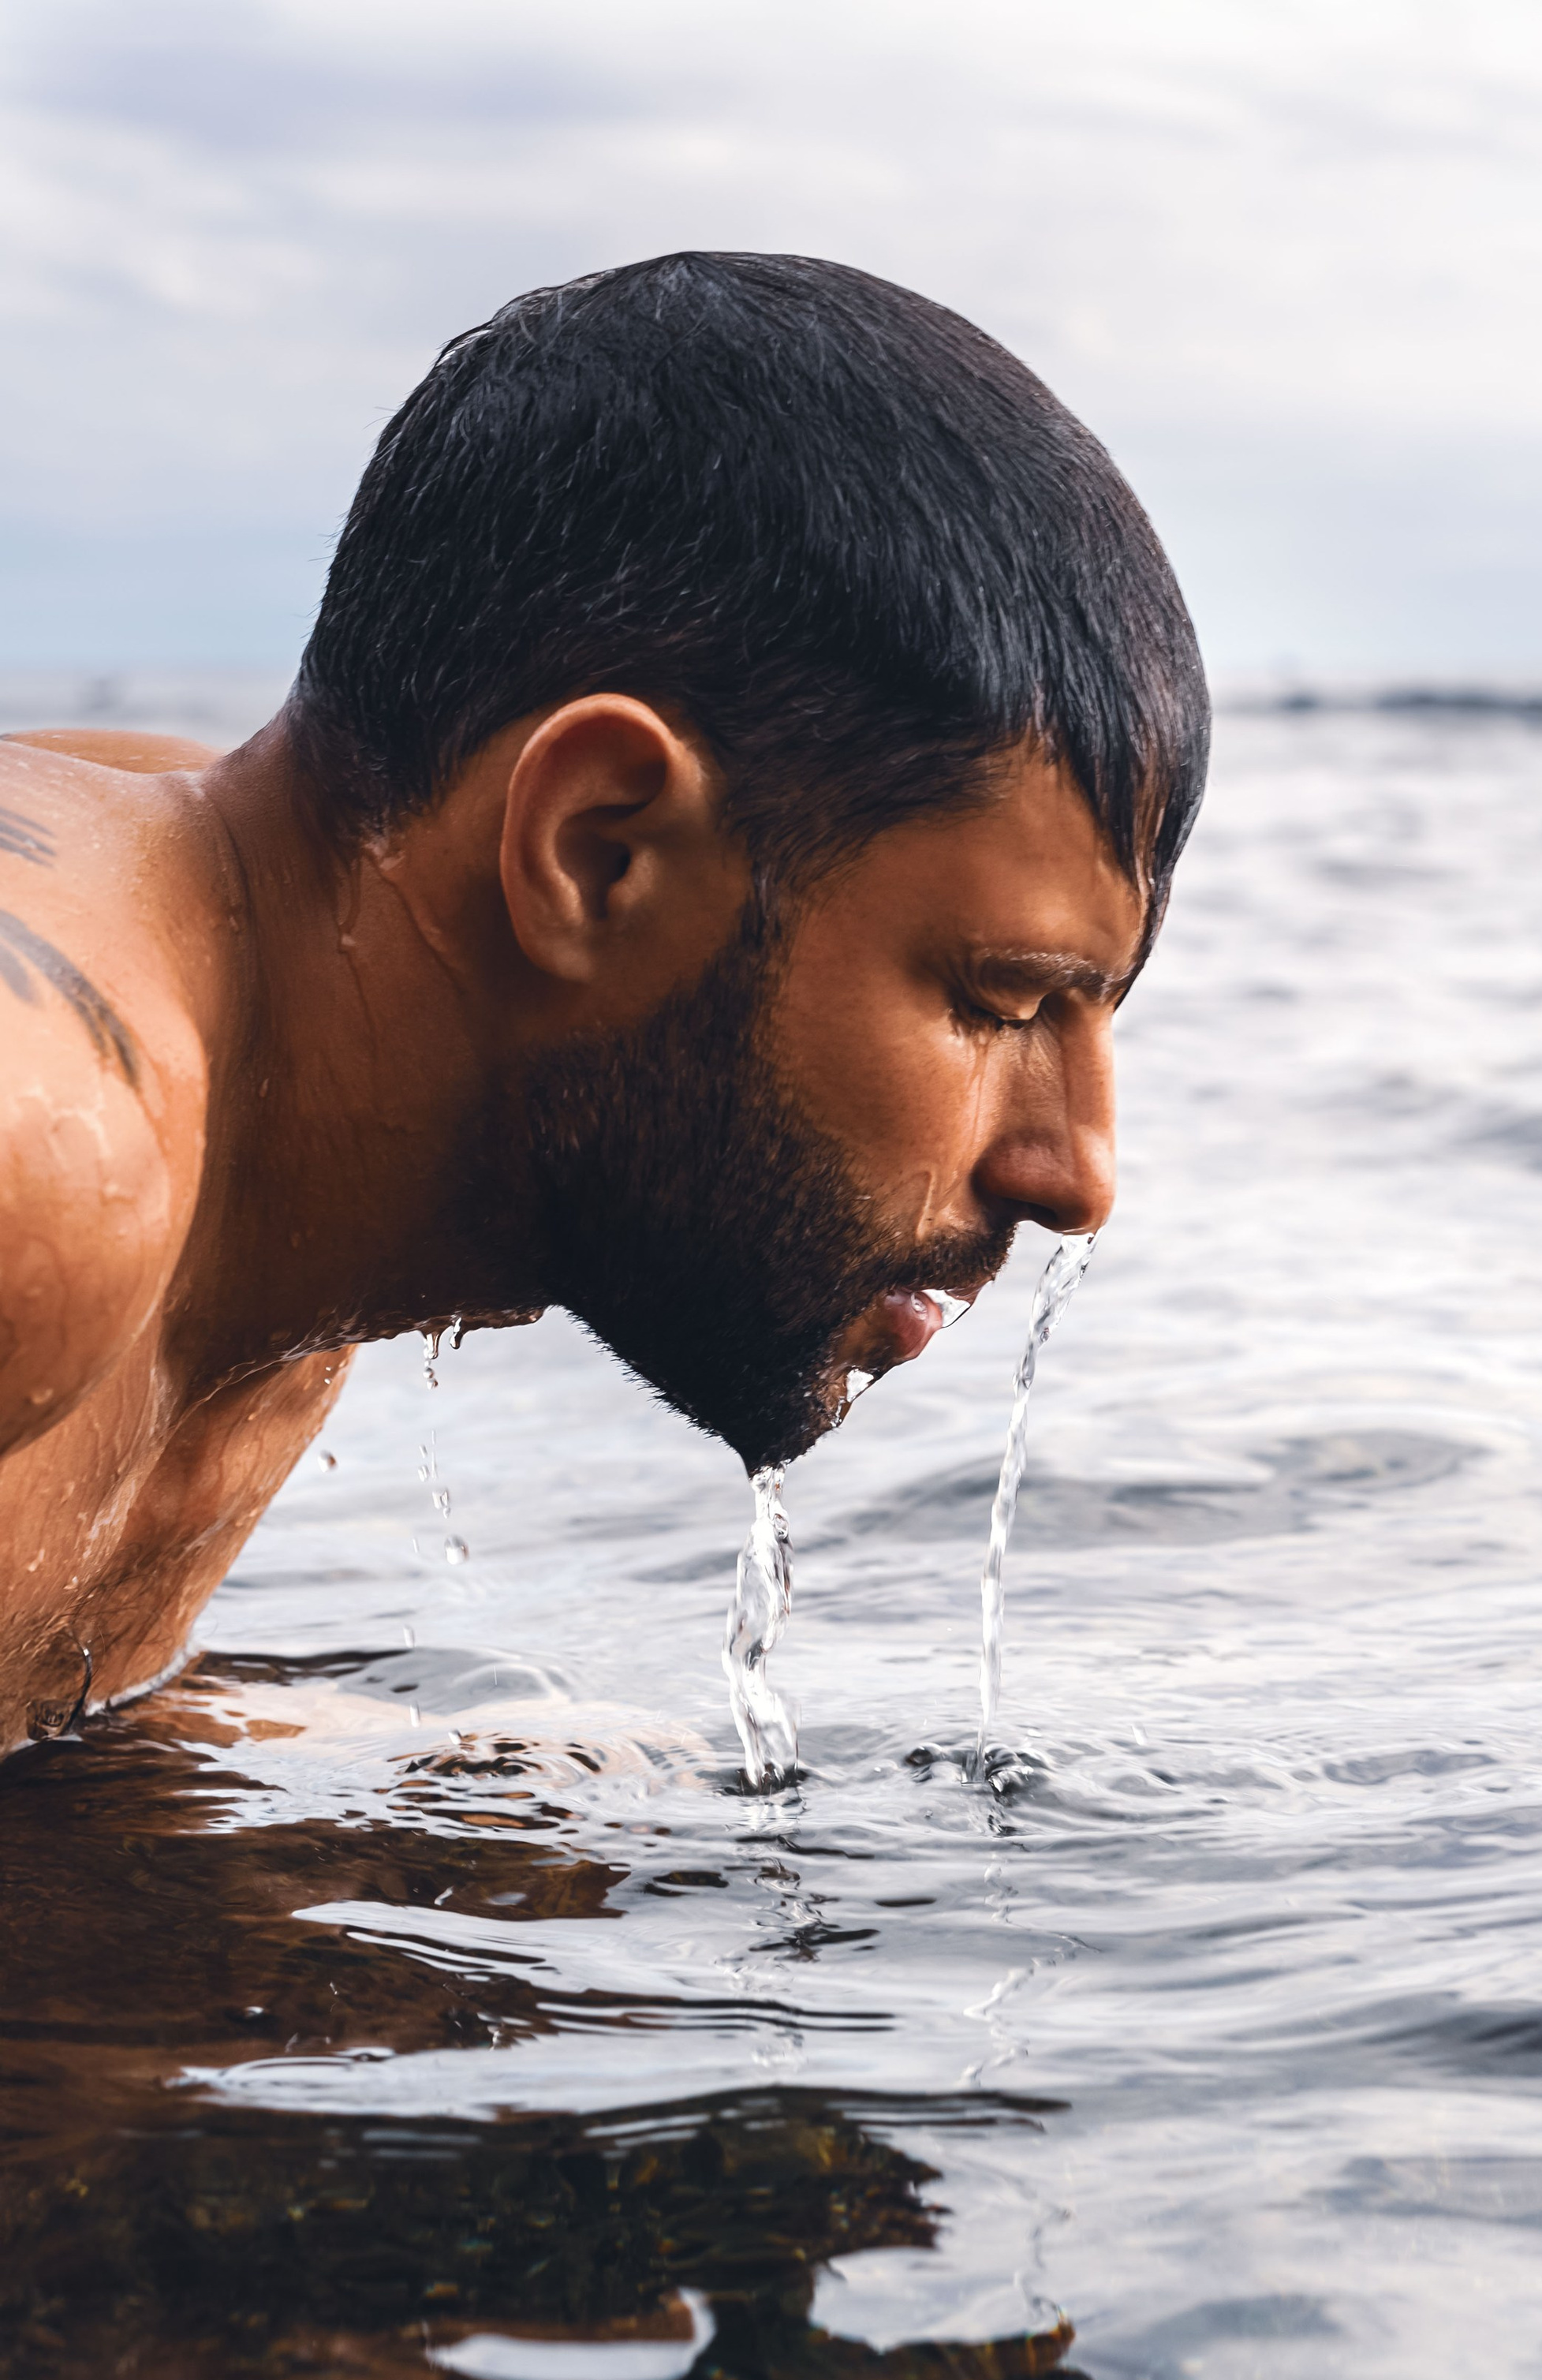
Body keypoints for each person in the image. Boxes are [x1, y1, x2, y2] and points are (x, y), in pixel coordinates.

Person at [0, 252, 1208, 1757]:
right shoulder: (47, 1144)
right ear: (597, 850)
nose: (1080, 1173)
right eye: (1000, 1000)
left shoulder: (273, 977)